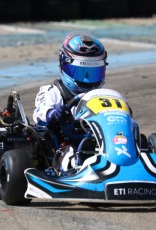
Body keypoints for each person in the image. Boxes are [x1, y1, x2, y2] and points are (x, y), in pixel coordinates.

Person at [33, 32, 108, 170]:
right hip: (64, 147)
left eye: (94, 73)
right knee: (71, 155)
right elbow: (41, 112)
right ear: (64, 64)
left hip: (102, 145)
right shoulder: (52, 92)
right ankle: (76, 168)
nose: (88, 80)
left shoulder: (103, 97)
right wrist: (54, 114)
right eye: (81, 72)